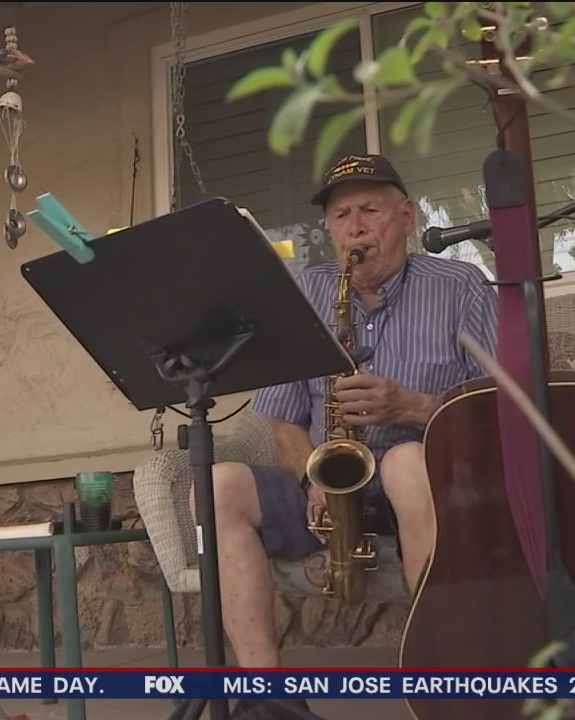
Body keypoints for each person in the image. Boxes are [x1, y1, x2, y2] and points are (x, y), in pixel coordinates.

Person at [200, 153, 498, 670]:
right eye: (341, 217)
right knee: (218, 483)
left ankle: (451, 672)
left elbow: (499, 406)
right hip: (333, 490)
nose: (355, 229)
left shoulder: (462, 285)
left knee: (405, 461)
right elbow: (283, 418)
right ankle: (264, 694)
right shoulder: (305, 292)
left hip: (432, 482)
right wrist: (312, 480)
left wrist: (413, 406)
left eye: (370, 211)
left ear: (406, 218)